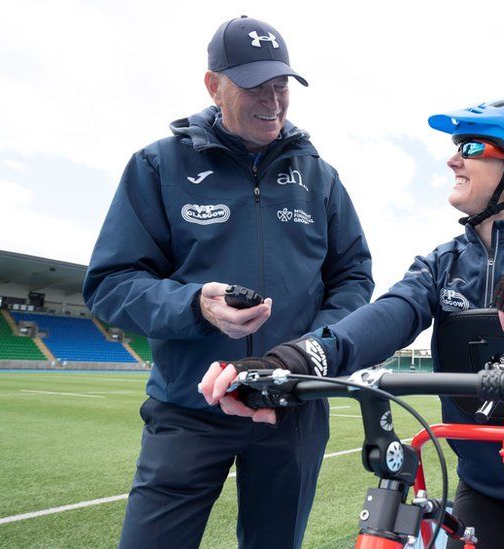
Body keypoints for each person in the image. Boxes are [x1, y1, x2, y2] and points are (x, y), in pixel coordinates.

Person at [201, 99, 504, 548]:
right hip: (486, 485)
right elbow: (379, 320)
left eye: (471, 147)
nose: (453, 158)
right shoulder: (443, 263)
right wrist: (290, 360)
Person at [83, 16, 373, 549]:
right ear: (213, 85)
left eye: (281, 84)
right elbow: (110, 283)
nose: (273, 101)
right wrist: (195, 305)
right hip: (190, 406)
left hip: (293, 403)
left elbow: (354, 278)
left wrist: (310, 349)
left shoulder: (320, 178)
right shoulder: (157, 165)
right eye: (255, 85)